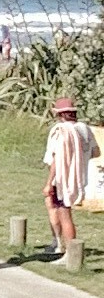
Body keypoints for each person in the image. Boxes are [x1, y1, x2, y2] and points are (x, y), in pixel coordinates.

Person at [47, 95, 93, 272]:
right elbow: (95, 152)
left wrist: (48, 182)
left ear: (61, 115)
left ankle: (69, 253)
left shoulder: (60, 131)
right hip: (80, 176)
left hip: (63, 178)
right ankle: (69, 249)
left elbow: (54, 159)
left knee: (64, 214)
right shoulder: (84, 129)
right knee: (67, 213)